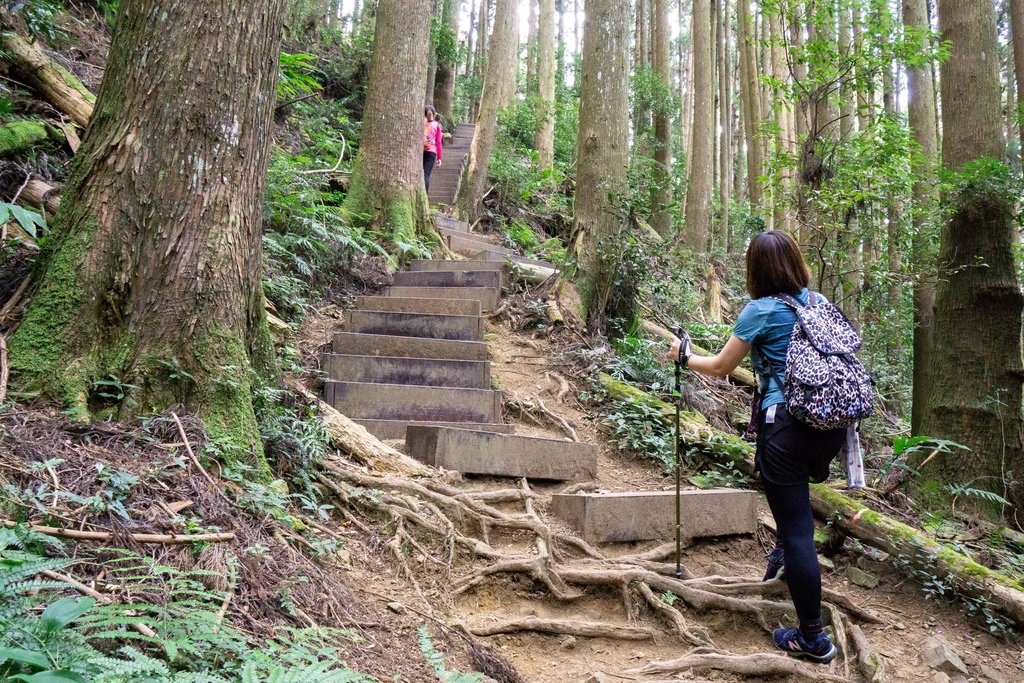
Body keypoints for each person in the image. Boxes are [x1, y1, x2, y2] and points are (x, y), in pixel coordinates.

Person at [666, 231, 846, 665]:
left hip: (784, 425)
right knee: (795, 518)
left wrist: (682, 356)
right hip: (830, 426)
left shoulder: (761, 310)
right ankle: (785, 556)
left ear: (755, 270)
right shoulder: (820, 303)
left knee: (799, 529)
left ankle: (812, 639)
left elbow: (721, 367)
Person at [423, 106, 443, 192]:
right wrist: (439, 158)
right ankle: (425, 197)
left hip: (420, 150)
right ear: (434, 115)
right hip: (431, 152)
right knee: (426, 174)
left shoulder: (420, 123)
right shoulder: (437, 125)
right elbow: (438, 142)